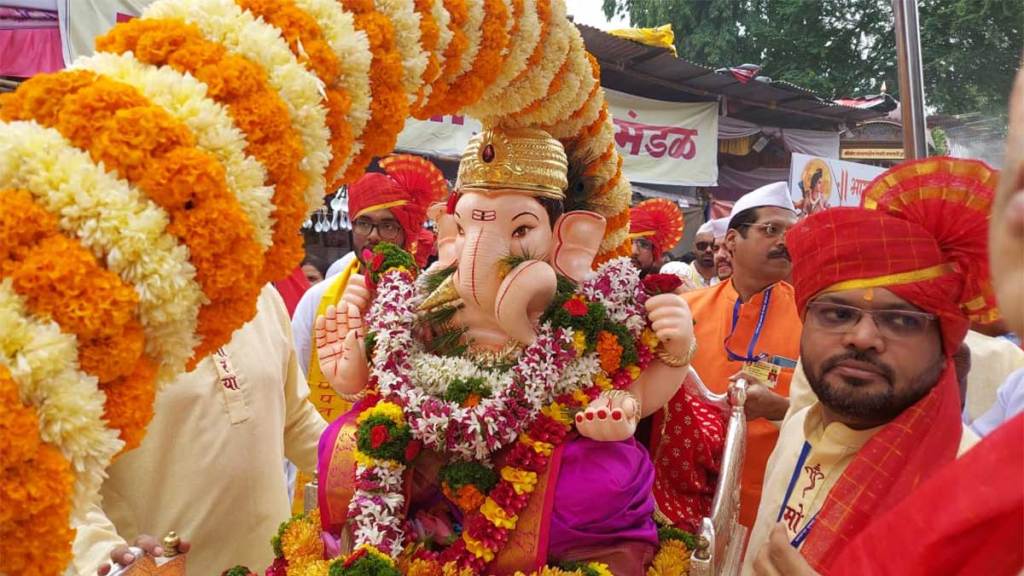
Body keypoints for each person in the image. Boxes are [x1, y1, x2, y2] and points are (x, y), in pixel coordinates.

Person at [742, 156, 999, 575]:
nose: (862, 338)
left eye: (902, 320)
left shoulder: (981, 497)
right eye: (837, 314)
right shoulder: (797, 430)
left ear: (944, 347)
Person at [75, 286, 327, 575]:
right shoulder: (94, 308)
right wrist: (103, 556)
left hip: (272, 565)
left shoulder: (260, 290)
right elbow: (62, 485)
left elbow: (294, 419)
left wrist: (370, 465)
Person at [652, 182, 802, 528]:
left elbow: (832, 415)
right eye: (771, 229)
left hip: (764, 505)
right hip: (675, 498)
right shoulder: (683, 311)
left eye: (791, 233)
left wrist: (778, 407)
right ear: (732, 240)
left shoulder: (812, 319)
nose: (784, 241)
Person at [290, 154, 447, 420]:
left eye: (387, 225)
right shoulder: (316, 298)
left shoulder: (428, 301)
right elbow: (295, 383)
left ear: (406, 234)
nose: (372, 235)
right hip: (324, 444)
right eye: (364, 223)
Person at [629, 197, 685, 278]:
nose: (634, 251)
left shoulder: (667, 288)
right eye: (627, 243)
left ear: (655, 253)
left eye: (644, 244)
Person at [663, 219, 718, 289]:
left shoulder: (728, 277)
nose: (708, 250)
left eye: (714, 246)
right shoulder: (680, 275)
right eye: (702, 245)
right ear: (693, 248)